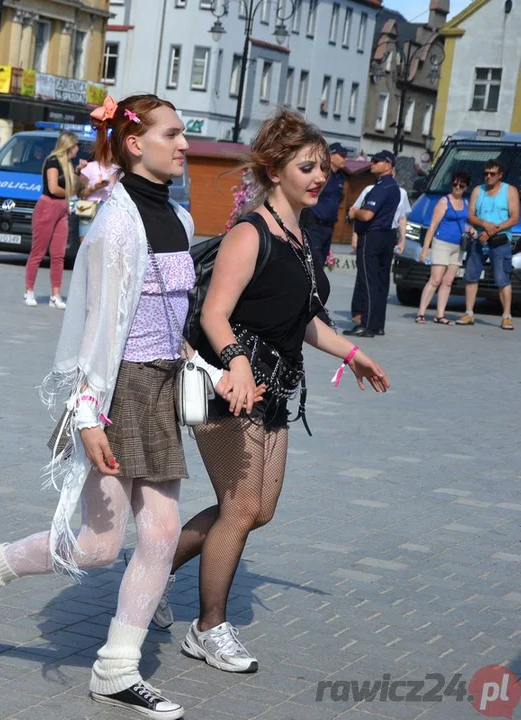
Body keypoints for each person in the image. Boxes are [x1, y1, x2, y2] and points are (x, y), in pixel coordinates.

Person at [0, 95, 204, 720]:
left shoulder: (182, 219)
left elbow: (174, 318)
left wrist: (208, 368)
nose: (185, 145)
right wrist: (87, 415)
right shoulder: (118, 223)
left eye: (184, 135)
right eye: (174, 134)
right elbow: (96, 329)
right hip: (115, 393)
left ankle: (116, 669)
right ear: (136, 143)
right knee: (96, 546)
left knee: (162, 535)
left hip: (161, 387)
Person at [151, 109, 390, 674]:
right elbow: (214, 313)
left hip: (275, 388)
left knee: (259, 510)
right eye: (305, 168)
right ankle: (208, 627)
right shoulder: (248, 232)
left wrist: (353, 354)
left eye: (322, 170)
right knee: (238, 507)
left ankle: (151, 572)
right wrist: (234, 364)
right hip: (228, 387)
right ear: (274, 170)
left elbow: (303, 318)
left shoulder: (302, 235)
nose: (318, 178)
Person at [343, 150, 402, 338]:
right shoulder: (394, 187)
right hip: (387, 236)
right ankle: (377, 324)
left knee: (368, 280)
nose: (372, 163)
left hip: (373, 236)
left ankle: (366, 324)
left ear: (389, 165)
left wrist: (354, 213)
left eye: (377, 161)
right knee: (381, 282)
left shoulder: (382, 187)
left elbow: (367, 215)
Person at [457, 159, 519, 330]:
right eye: (486, 173)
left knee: (502, 278)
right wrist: (484, 224)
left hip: (499, 240)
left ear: (500, 175)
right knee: (471, 276)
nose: (488, 177)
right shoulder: (478, 190)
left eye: (492, 174)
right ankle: (469, 313)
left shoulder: (510, 191)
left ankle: (506, 316)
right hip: (478, 237)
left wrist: (492, 230)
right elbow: (470, 215)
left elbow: (514, 218)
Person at [25, 130, 81, 309]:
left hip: (62, 208)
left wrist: (78, 172)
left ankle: (55, 295)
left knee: (59, 254)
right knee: (38, 252)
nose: (78, 149)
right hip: (48, 206)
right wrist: (70, 193)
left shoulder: (69, 164)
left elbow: (75, 187)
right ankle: (29, 290)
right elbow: (54, 188)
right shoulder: (52, 161)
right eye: (76, 145)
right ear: (69, 146)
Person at [415, 170, 472, 325]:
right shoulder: (444, 201)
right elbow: (432, 226)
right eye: (455, 184)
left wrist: (470, 229)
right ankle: (421, 313)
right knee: (435, 279)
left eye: (461, 185)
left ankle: (440, 314)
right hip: (442, 243)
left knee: (448, 281)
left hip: (458, 246)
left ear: (466, 186)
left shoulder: (466, 202)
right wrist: (425, 250)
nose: (457, 187)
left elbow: (463, 223)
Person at [303, 143, 348, 271]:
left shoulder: (340, 177)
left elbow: (339, 198)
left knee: (321, 261)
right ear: (331, 156)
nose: (345, 159)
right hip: (315, 224)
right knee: (313, 262)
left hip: (329, 226)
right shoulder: (320, 175)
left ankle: (316, 290)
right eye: (342, 155)